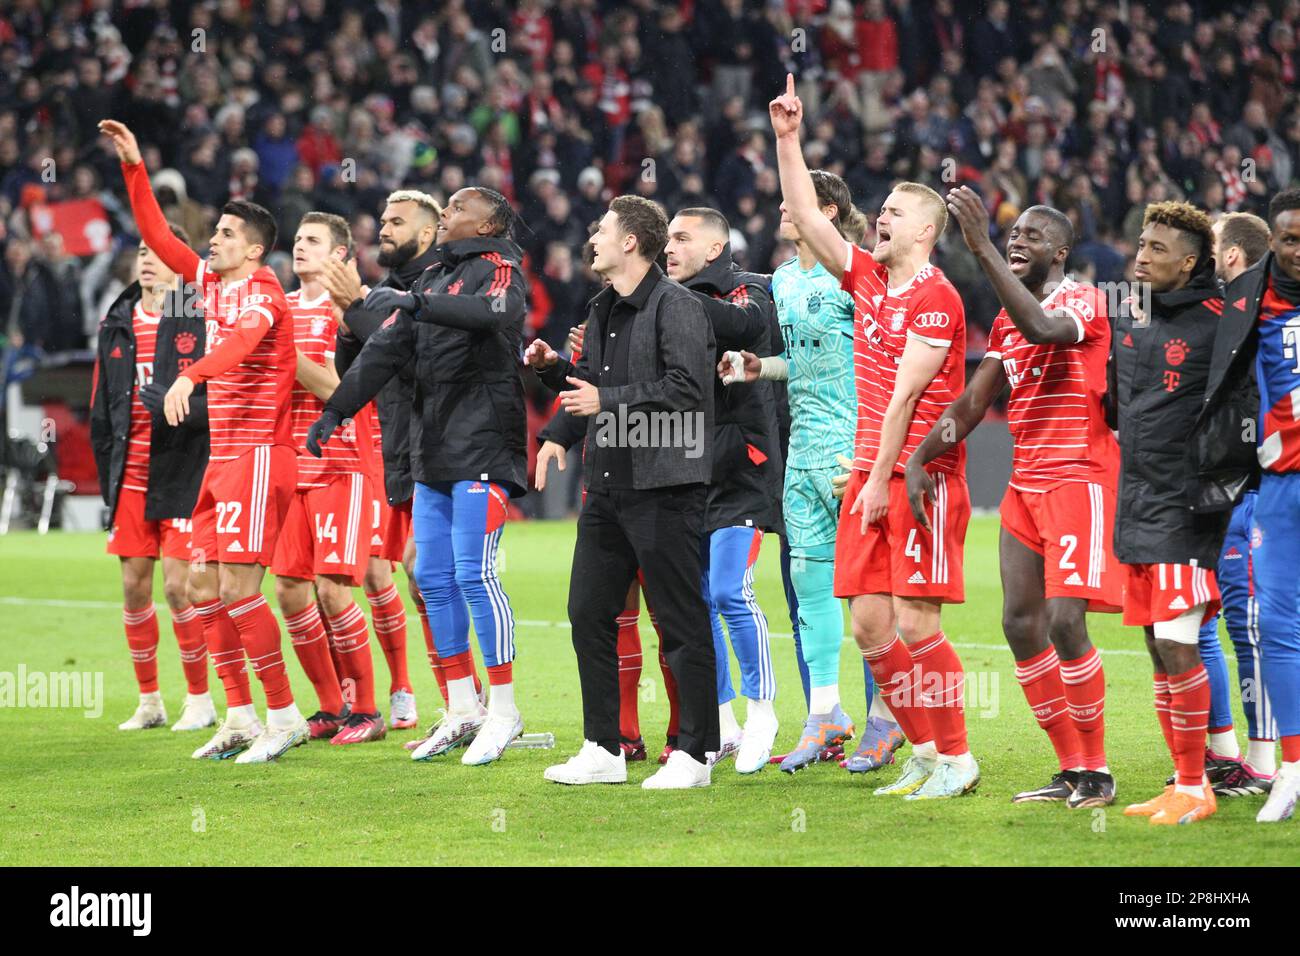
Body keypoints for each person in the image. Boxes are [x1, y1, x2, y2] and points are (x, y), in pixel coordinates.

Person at [770, 75, 978, 800]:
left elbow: (903, 401)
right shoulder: (867, 282)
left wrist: (877, 482)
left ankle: (956, 756)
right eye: (878, 211)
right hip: (868, 476)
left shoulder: (936, 296)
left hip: (918, 480)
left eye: (891, 213)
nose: (877, 220)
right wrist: (788, 140)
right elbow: (807, 214)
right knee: (868, 625)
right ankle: (920, 747)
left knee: (918, 623)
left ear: (921, 230)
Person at [101, 118, 310, 764]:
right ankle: (240, 714)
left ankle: (286, 715)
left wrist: (190, 374)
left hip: (257, 459)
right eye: (214, 232)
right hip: (220, 464)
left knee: (241, 590)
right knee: (199, 587)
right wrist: (135, 168)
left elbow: (244, 344)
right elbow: (158, 236)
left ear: (252, 248)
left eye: (223, 234)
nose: (211, 240)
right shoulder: (213, 284)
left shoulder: (265, 291)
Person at [906, 195, 1121, 808]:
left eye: (1031, 235)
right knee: (1019, 624)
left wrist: (978, 248)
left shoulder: (1082, 299)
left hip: (1078, 478)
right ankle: (1071, 768)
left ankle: (1099, 772)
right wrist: (922, 456)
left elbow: (1044, 328)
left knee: (1064, 621)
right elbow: (974, 403)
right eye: (1010, 235)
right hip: (1024, 483)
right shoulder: (1005, 320)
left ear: (1060, 251)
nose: (1015, 241)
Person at [314, 186, 529, 767]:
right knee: (433, 577)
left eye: (460, 208)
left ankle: (504, 710)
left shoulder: (499, 269)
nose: (450, 214)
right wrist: (337, 409)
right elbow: (382, 354)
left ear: (489, 224)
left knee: (474, 574)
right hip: (432, 454)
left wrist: (411, 306)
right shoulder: (433, 283)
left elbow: (497, 314)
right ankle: (462, 707)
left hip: (482, 445)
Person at [526, 195, 719, 790]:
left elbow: (687, 389)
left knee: (680, 621)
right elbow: (595, 384)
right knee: (588, 612)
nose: (593, 238)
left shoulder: (679, 306)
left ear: (631, 241)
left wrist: (603, 402)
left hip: (666, 485)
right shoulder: (602, 306)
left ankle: (697, 755)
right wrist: (556, 383)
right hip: (608, 486)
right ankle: (602, 748)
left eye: (603, 230)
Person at [725, 170, 902, 775]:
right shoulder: (782, 279)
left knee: (870, 593)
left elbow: (888, 359)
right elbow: (800, 363)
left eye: (792, 201)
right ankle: (825, 714)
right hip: (801, 450)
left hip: (854, 450)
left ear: (824, 209)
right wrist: (760, 368)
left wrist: (874, 453)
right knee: (808, 585)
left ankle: (886, 717)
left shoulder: (859, 272)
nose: (781, 209)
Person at [1111, 201, 1229, 825]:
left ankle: (1200, 783)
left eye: (1158, 249)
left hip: (1188, 509)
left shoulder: (1220, 322)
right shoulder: (1132, 316)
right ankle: (1183, 780)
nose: (1142, 255)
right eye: (1141, 243)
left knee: (1181, 644)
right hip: (1138, 506)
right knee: (1159, 648)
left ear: (1190, 261)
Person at [662, 206, 782, 773]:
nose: (669, 248)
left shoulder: (750, 291)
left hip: (740, 470)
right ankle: (724, 721)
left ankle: (764, 713)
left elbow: (745, 330)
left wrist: (668, 302)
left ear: (714, 248)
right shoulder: (665, 302)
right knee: (696, 601)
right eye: (666, 239)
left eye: (682, 238)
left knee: (731, 592)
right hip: (683, 470)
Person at [1198, 188, 1300, 823]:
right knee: (1279, 627)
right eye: (1290, 238)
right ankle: (1288, 768)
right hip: (1282, 483)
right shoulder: (1246, 299)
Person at [90, 223, 214, 734]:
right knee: (133, 587)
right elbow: (102, 407)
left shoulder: (196, 316)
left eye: (159, 253)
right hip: (132, 475)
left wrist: (179, 406)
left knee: (179, 588)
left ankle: (201, 700)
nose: (148, 260)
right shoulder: (116, 321)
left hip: (181, 473)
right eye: (142, 251)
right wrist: (108, 478)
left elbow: (217, 393)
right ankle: (149, 701)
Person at [271, 212, 386, 746]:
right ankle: (328, 705)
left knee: (335, 590)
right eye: (297, 240)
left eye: (313, 241)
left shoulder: (352, 314)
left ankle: (367, 709)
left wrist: (285, 356)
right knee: (291, 590)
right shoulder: (280, 309)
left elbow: (345, 389)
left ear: (340, 254)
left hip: (341, 463)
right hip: (289, 465)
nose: (300, 248)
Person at [1192, 211, 1277, 797]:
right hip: (1209, 490)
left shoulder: (1265, 320)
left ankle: (1264, 761)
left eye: (1213, 246)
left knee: (1251, 628)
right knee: (1199, 619)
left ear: (1232, 256)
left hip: (1252, 491)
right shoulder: (1224, 317)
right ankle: (1223, 752)